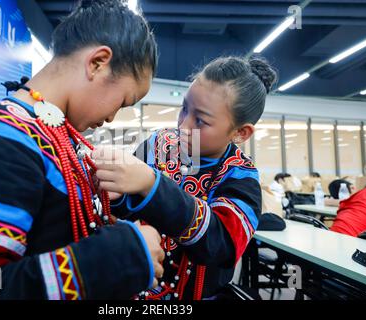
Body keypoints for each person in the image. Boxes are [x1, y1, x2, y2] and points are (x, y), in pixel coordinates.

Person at [0, 0, 165, 300]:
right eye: (124, 101)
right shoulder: (0, 139)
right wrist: (123, 253)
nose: (114, 117)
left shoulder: (56, 136)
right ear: (98, 62)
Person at [93, 56, 277, 299]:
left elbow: (220, 243)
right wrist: (115, 193)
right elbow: (128, 209)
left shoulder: (240, 176)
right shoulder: (159, 144)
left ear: (240, 132)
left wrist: (153, 184)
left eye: (200, 120)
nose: (183, 126)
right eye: (184, 109)